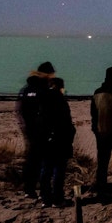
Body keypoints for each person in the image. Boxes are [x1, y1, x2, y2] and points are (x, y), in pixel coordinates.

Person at [16, 62, 55, 199]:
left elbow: (20, 110)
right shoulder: (43, 90)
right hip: (41, 131)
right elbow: (48, 111)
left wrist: (26, 128)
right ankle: (43, 191)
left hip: (30, 130)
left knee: (32, 159)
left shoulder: (26, 89)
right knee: (44, 161)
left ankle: (29, 189)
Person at [40, 77, 76, 208]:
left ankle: (45, 198)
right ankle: (57, 198)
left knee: (46, 170)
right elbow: (66, 121)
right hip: (60, 139)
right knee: (58, 170)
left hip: (45, 140)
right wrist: (70, 134)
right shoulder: (61, 100)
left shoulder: (43, 99)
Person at [90, 66, 112, 199]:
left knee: (102, 162)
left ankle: (101, 187)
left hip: (101, 131)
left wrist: (95, 128)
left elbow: (93, 113)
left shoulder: (97, 92)